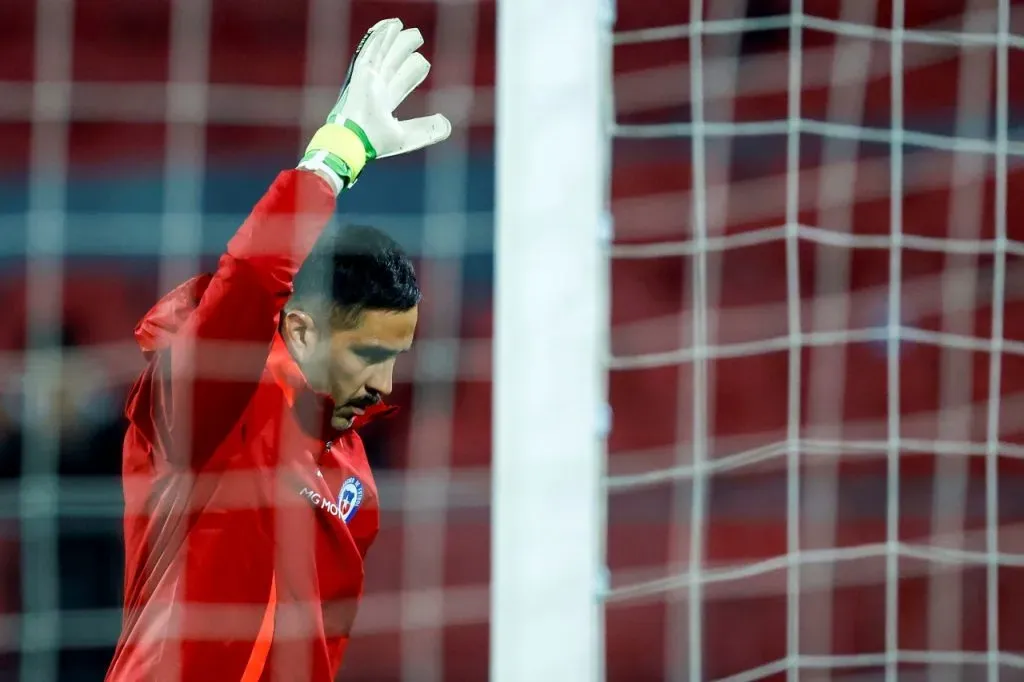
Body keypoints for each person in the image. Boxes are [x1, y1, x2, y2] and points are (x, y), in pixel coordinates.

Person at [104, 18, 450, 682]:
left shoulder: (356, 484)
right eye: (369, 352)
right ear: (301, 331)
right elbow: (250, 281)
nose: (384, 383)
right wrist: (336, 155)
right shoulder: (215, 399)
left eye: (396, 356)